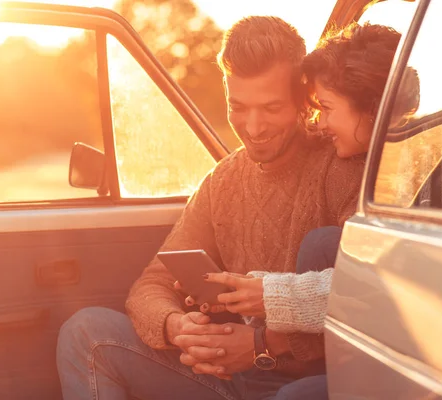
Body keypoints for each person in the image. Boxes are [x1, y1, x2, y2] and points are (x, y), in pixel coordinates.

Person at [56, 16, 365, 400]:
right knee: (86, 333)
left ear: (303, 100)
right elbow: (150, 284)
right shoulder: (224, 180)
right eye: (238, 107)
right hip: (229, 375)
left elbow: (369, 301)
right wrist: (178, 328)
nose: (253, 128)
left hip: (311, 382)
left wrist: (260, 344)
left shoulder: (340, 166)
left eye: (271, 108)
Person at [202, 23, 419, 334]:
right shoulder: (223, 177)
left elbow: (388, 283)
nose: (320, 122)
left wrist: (266, 313)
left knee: (322, 244)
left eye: (326, 108)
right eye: (238, 106)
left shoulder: (423, 169)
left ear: (373, 110)